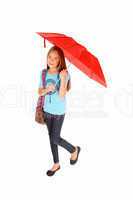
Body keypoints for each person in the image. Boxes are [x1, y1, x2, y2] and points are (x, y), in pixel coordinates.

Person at [38, 46, 81, 176]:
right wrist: (47, 89)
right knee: (51, 139)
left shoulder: (64, 74)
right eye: (50, 57)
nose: (52, 60)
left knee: (55, 138)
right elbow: (39, 91)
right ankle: (56, 164)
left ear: (60, 60)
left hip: (58, 113)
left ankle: (74, 150)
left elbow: (62, 94)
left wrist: (62, 79)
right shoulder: (43, 73)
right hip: (46, 111)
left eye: (55, 58)